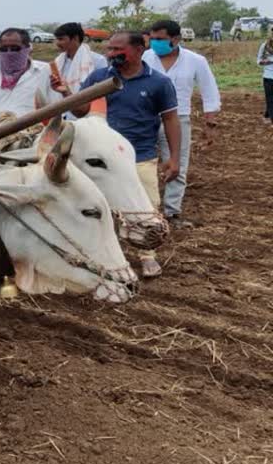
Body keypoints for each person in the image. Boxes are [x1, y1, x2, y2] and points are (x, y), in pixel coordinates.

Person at [61, 30, 181, 279]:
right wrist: (66, 94)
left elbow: (170, 119)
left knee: (145, 208)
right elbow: (82, 111)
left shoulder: (158, 82)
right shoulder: (99, 77)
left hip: (141, 156)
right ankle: (105, 258)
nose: (112, 54)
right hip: (101, 161)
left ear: (139, 50)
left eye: (118, 49)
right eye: (109, 49)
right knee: (98, 209)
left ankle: (148, 257)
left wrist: (174, 158)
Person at [144, 20, 221, 228]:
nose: (155, 43)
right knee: (142, 163)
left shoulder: (195, 61)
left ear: (176, 39)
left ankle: (171, 212)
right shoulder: (145, 58)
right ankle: (143, 210)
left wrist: (210, 122)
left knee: (177, 164)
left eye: (160, 39)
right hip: (146, 117)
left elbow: (209, 90)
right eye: (152, 39)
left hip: (179, 119)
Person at [0, 28, 53, 116]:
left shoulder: (45, 71)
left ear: (28, 48)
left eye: (15, 48)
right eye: (4, 49)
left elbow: (56, 106)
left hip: (32, 127)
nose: (9, 53)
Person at [53, 22, 108, 94]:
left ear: (75, 38)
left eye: (61, 39)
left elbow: (103, 88)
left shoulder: (97, 60)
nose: (57, 43)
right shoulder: (58, 61)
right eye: (57, 39)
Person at [258, 27, 273, 126]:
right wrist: (267, 61)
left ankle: (267, 115)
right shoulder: (265, 46)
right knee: (270, 99)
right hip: (268, 77)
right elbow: (258, 61)